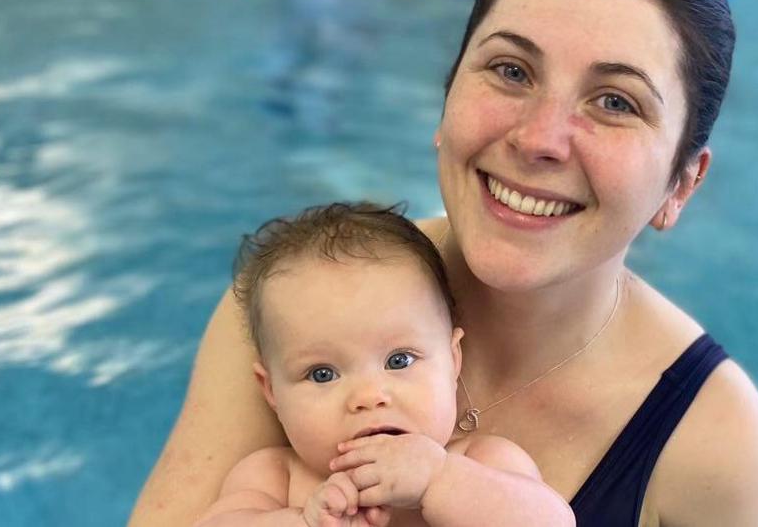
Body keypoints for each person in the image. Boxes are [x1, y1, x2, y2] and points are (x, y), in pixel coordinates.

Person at [131, 0, 758, 526]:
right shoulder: (297, 304)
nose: (539, 138)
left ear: (681, 184)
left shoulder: (709, 436)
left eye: (615, 101)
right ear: (447, 99)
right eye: (510, 69)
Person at [193, 202, 572, 526]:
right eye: (322, 374)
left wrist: (438, 480)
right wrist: (305, 521)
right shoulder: (273, 479)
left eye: (399, 360)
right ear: (272, 391)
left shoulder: (482, 461)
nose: (368, 396)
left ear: (452, 359)